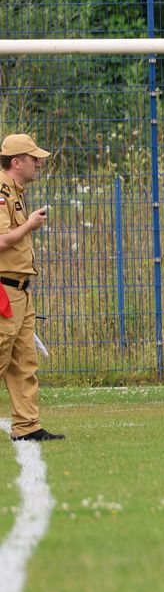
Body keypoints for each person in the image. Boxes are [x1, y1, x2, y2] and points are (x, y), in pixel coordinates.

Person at [0, 134, 58, 442]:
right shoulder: (0, 191)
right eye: (33, 157)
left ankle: (27, 426)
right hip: (3, 290)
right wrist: (30, 225)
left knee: (24, 360)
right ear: (15, 162)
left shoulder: (16, 192)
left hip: (20, 290)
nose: (38, 162)